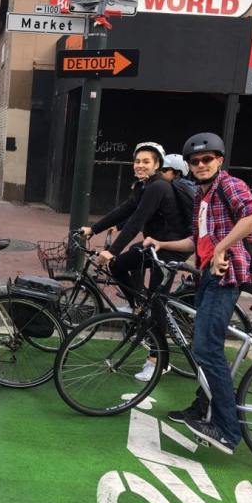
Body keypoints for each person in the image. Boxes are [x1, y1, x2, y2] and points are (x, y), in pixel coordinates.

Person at [144, 132, 252, 455]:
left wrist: (223, 248)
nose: (200, 165)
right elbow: (194, 243)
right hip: (207, 278)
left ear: (219, 160)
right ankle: (201, 409)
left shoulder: (229, 184)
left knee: (207, 349)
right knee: (203, 349)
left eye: (207, 159)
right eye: (194, 161)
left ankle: (227, 432)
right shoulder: (202, 195)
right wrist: (161, 243)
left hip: (225, 278)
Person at [82, 142, 193, 381]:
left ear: (157, 165)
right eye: (137, 161)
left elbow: (136, 222)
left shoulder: (158, 187)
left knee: (157, 303)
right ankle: (138, 307)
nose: (140, 165)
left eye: (146, 162)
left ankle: (158, 360)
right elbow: (124, 211)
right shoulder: (143, 186)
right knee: (117, 266)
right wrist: (93, 228)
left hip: (170, 251)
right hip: (153, 245)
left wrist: (112, 249)